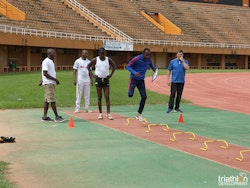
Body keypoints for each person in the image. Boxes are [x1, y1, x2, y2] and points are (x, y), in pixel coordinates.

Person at [126, 48, 157, 121]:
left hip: (141, 81)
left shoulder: (149, 60)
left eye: (148, 55)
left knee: (144, 97)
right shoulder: (136, 59)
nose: (147, 57)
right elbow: (128, 66)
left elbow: (153, 67)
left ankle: (139, 114)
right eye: (146, 55)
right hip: (133, 79)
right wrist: (134, 72)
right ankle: (130, 89)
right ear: (143, 53)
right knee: (130, 95)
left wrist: (155, 71)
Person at [87, 48, 116, 120]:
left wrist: (111, 75)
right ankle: (100, 113)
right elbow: (88, 66)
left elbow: (114, 66)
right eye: (101, 53)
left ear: (105, 53)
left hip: (106, 79)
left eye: (103, 53)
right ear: (99, 53)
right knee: (99, 97)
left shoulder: (108, 59)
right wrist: (92, 75)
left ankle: (108, 113)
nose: (102, 55)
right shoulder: (95, 59)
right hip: (98, 79)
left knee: (107, 96)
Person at [41, 48, 65, 122]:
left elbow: (47, 73)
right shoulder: (46, 61)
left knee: (47, 101)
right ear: (49, 53)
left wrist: (42, 80)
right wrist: (55, 79)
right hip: (49, 83)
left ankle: (45, 117)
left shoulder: (50, 61)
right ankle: (57, 117)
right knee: (52, 100)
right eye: (53, 53)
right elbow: (45, 73)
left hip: (49, 82)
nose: (55, 54)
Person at [167, 49, 189, 113]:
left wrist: (182, 61)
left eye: (181, 54)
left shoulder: (185, 61)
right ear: (176, 55)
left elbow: (187, 68)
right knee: (172, 94)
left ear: (183, 55)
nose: (180, 56)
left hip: (181, 81)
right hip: (174, 81)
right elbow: (168, 70)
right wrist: (168, 80)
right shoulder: (172, 61)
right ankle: (170, 108)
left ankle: (177, 107)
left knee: (179, 95)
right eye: (178, 54)